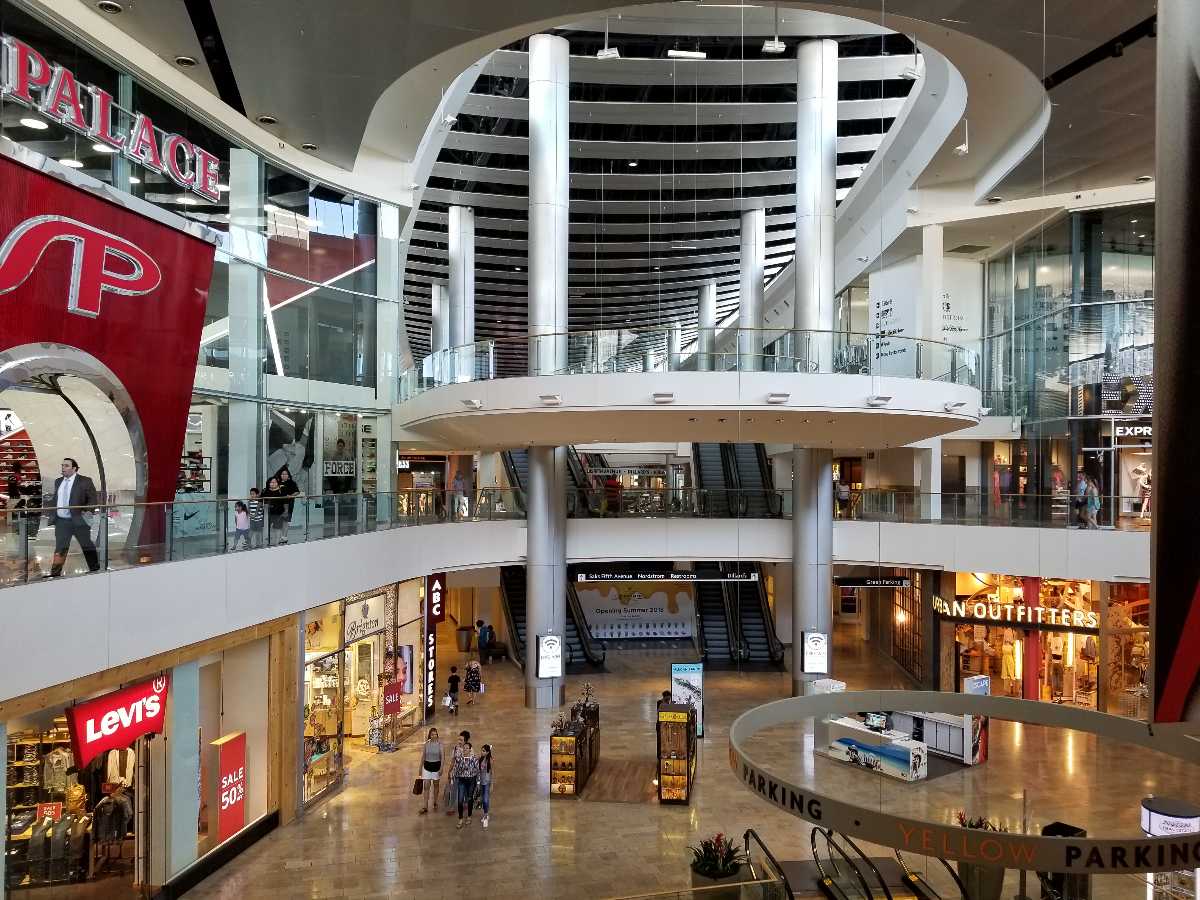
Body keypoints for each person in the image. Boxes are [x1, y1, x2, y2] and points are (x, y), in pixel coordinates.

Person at [48, 458, 99, 577]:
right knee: (60, 547)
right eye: (62, 465)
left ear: (74, 468)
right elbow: (56, 499)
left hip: (78, 520)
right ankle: (55, 573)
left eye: (66, 466)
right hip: (61, 522)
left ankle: (95, 569)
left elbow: (92, 500)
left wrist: (86, 513)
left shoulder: (85, 481)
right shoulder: (58, 481)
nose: (63, 468)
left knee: (86, 544)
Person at [453, 741, 480, 829]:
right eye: (464, 748)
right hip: (461, 780)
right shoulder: (459, 758)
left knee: (469, 798)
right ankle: (460, 818)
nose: (465, 750)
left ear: (470, 749)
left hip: (471, 780)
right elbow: (456, 769)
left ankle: (469, 816)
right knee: (460, 800)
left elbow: (477, 770)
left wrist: (478, 782)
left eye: (467, 748)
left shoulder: (474, 758)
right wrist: (454, 777)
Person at [417, 727, 443, 814]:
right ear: (430, 735)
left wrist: (441, 767)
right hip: (427, 766)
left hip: (436, 766)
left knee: (436, 785)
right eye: (432, 734)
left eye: (435, 734)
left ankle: (435, 801)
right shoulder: (426, 744)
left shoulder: (440, 744)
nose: (434, 736)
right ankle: (425, 806)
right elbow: (423, 756)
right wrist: (420, 767)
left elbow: (442, 757)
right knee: (426, 786)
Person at [444, 730, 470, 815]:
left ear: (465, 741)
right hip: (456, 773)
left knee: (464, 789)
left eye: (461, 740)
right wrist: (449, 771)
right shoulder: (455, 749)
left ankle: (465, 802)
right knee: (453, 789)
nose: (459, 742)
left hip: (465, 773)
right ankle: (451, 807)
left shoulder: (469, 749)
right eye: (459, 739)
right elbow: (452, 761)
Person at [275, 466, 301, 542]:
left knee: (286, 520)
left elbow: (297, 492)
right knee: (279, 520)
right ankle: (279, 537)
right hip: (279, 504)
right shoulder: (277, 482)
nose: (284, 475)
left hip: (289, 504)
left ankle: (284, 537)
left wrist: (291, 496)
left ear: (288, 475)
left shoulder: (292, 483)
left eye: (286, 474)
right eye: (282, 474)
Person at [261, 477, 288, 545]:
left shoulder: (281, 490)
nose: (273, 484)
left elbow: (285, 501)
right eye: (272, 482)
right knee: (268, 528)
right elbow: (260, 501)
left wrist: (286, 510)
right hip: (268, 512)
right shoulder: (265, 490)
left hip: (279, 512)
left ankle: (277, 542)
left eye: (275, 482)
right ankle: (270, 541)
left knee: (278, 527)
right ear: (269, 483)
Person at [478, 744, 494, 828]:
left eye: (483, 751)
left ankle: (486, 815)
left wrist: (492, 784)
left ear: (488, 752)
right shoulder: (480, 759)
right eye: (481, 750)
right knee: (482, 798)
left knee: (485, 799)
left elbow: (492, 772)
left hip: (487, 782)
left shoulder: (490, 760)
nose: (482, 752)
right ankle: (485, 813)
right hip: (481, 782)